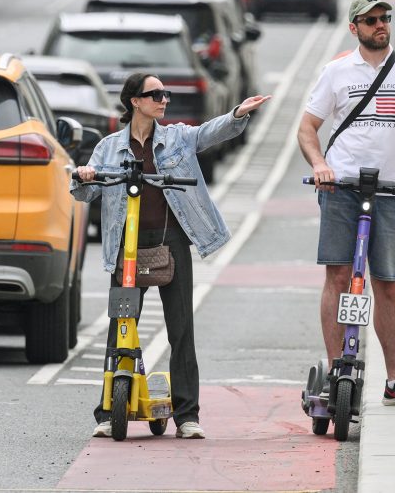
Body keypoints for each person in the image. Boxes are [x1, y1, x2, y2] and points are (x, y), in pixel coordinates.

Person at [71, 73, 271, 439]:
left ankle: (187, 416)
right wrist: (84, 176)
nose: (164, 100)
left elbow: (207, 134)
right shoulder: (108, 147)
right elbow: (85, 193)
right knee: (120, 328)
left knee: (181, 330)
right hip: (127, 247)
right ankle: (108, 412)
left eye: (166, 94)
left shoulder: (176, 137)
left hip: (171, 243)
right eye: (156, 94)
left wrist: (237, 114)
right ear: (135, 101)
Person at [297, 0, 395, 407]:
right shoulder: (336, 72)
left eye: (385, 18)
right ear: (354, 27)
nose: (381, 25)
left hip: (391, 192)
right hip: (341, 189)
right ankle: (335, 371)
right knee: (339, 277)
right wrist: (320, 165)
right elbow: (307, 128)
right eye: (371, 20)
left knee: (388, 285)